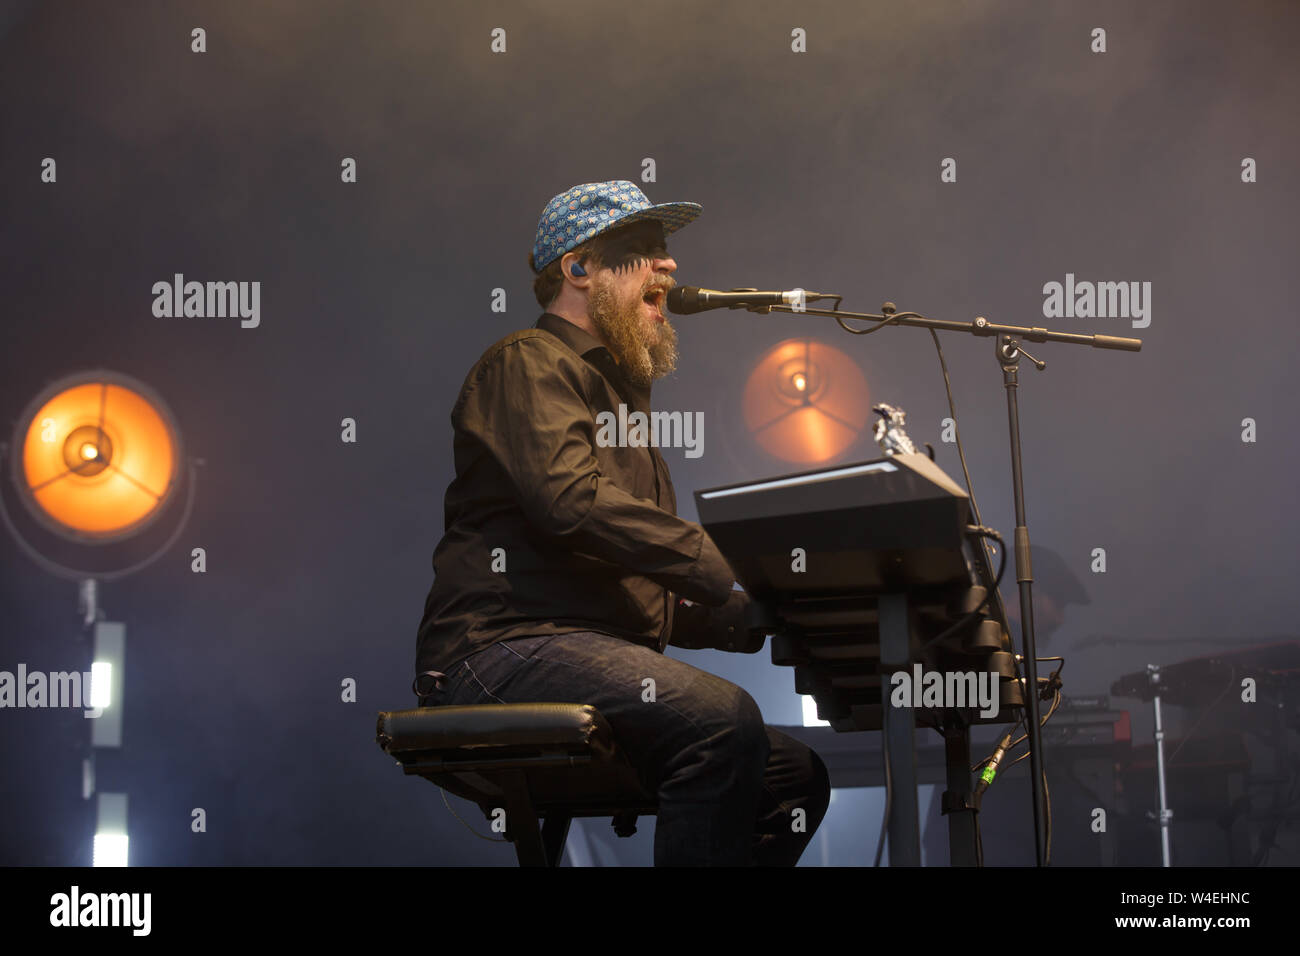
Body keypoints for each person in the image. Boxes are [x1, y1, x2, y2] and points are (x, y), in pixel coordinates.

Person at [413, 180, 831, 866]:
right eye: (643, 250)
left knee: (793, 778)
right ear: (579, 269)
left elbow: (629, 586)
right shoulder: (528, 362)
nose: (669, 267)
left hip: (571, 650)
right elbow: (571, 505)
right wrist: (735, 563)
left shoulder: (619, 405)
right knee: (721, 720)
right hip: (495, 651)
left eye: (667, 252)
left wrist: (760, 615)